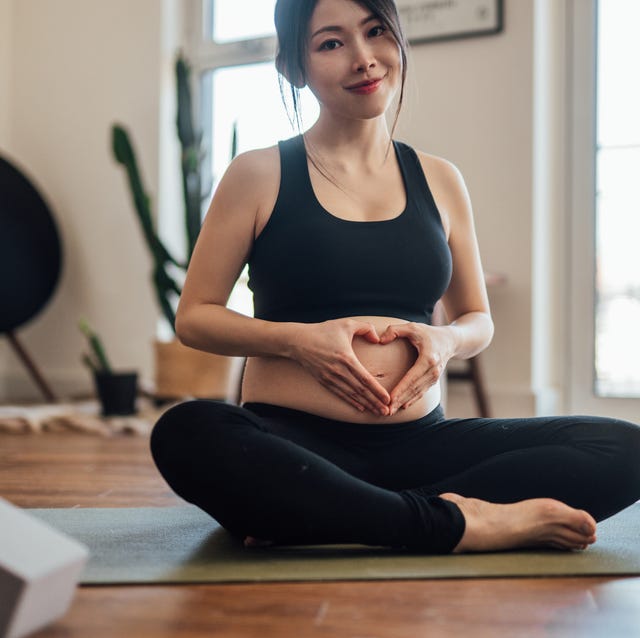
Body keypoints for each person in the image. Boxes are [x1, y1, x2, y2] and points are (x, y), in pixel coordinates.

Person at [150, 0, 640, 554]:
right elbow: (195, 317)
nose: (364, 59)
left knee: (623, 447)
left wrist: (444, 340)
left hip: (420, 445)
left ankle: (333, 514)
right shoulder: (259, 174)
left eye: (376, 31)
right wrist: (298, 341)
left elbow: (477, 319)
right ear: (293, 67)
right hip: (295, 444)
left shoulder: (440, 178)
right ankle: (453, 523)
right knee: (187, 432)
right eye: (331, 43)